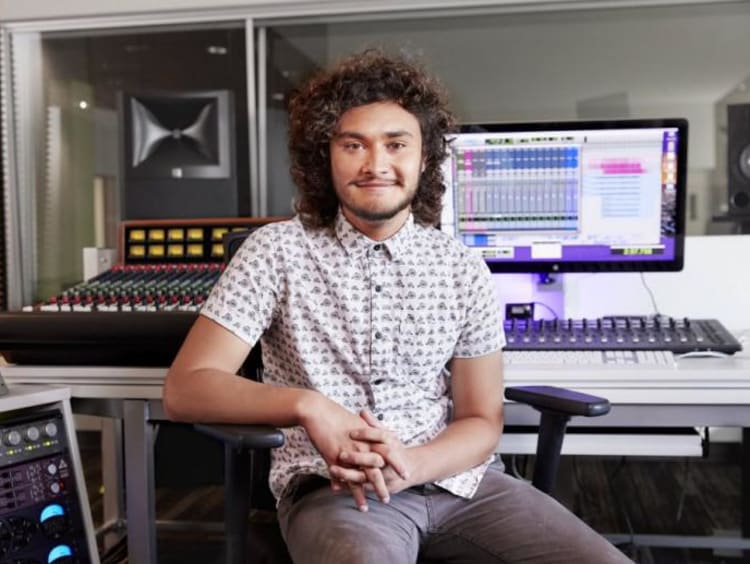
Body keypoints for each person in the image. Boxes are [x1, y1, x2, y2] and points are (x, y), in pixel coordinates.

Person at [163, 50, 630, 564]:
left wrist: (410, 463)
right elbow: (186, 388)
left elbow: (480, 419)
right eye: (353, 144)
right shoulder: (276, 251)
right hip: (336, 493)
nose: (375, 164)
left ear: (424, 158)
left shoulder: (461, 267)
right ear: (326, 156)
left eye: (396, 144)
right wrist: (308, 405)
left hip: (462, 487)